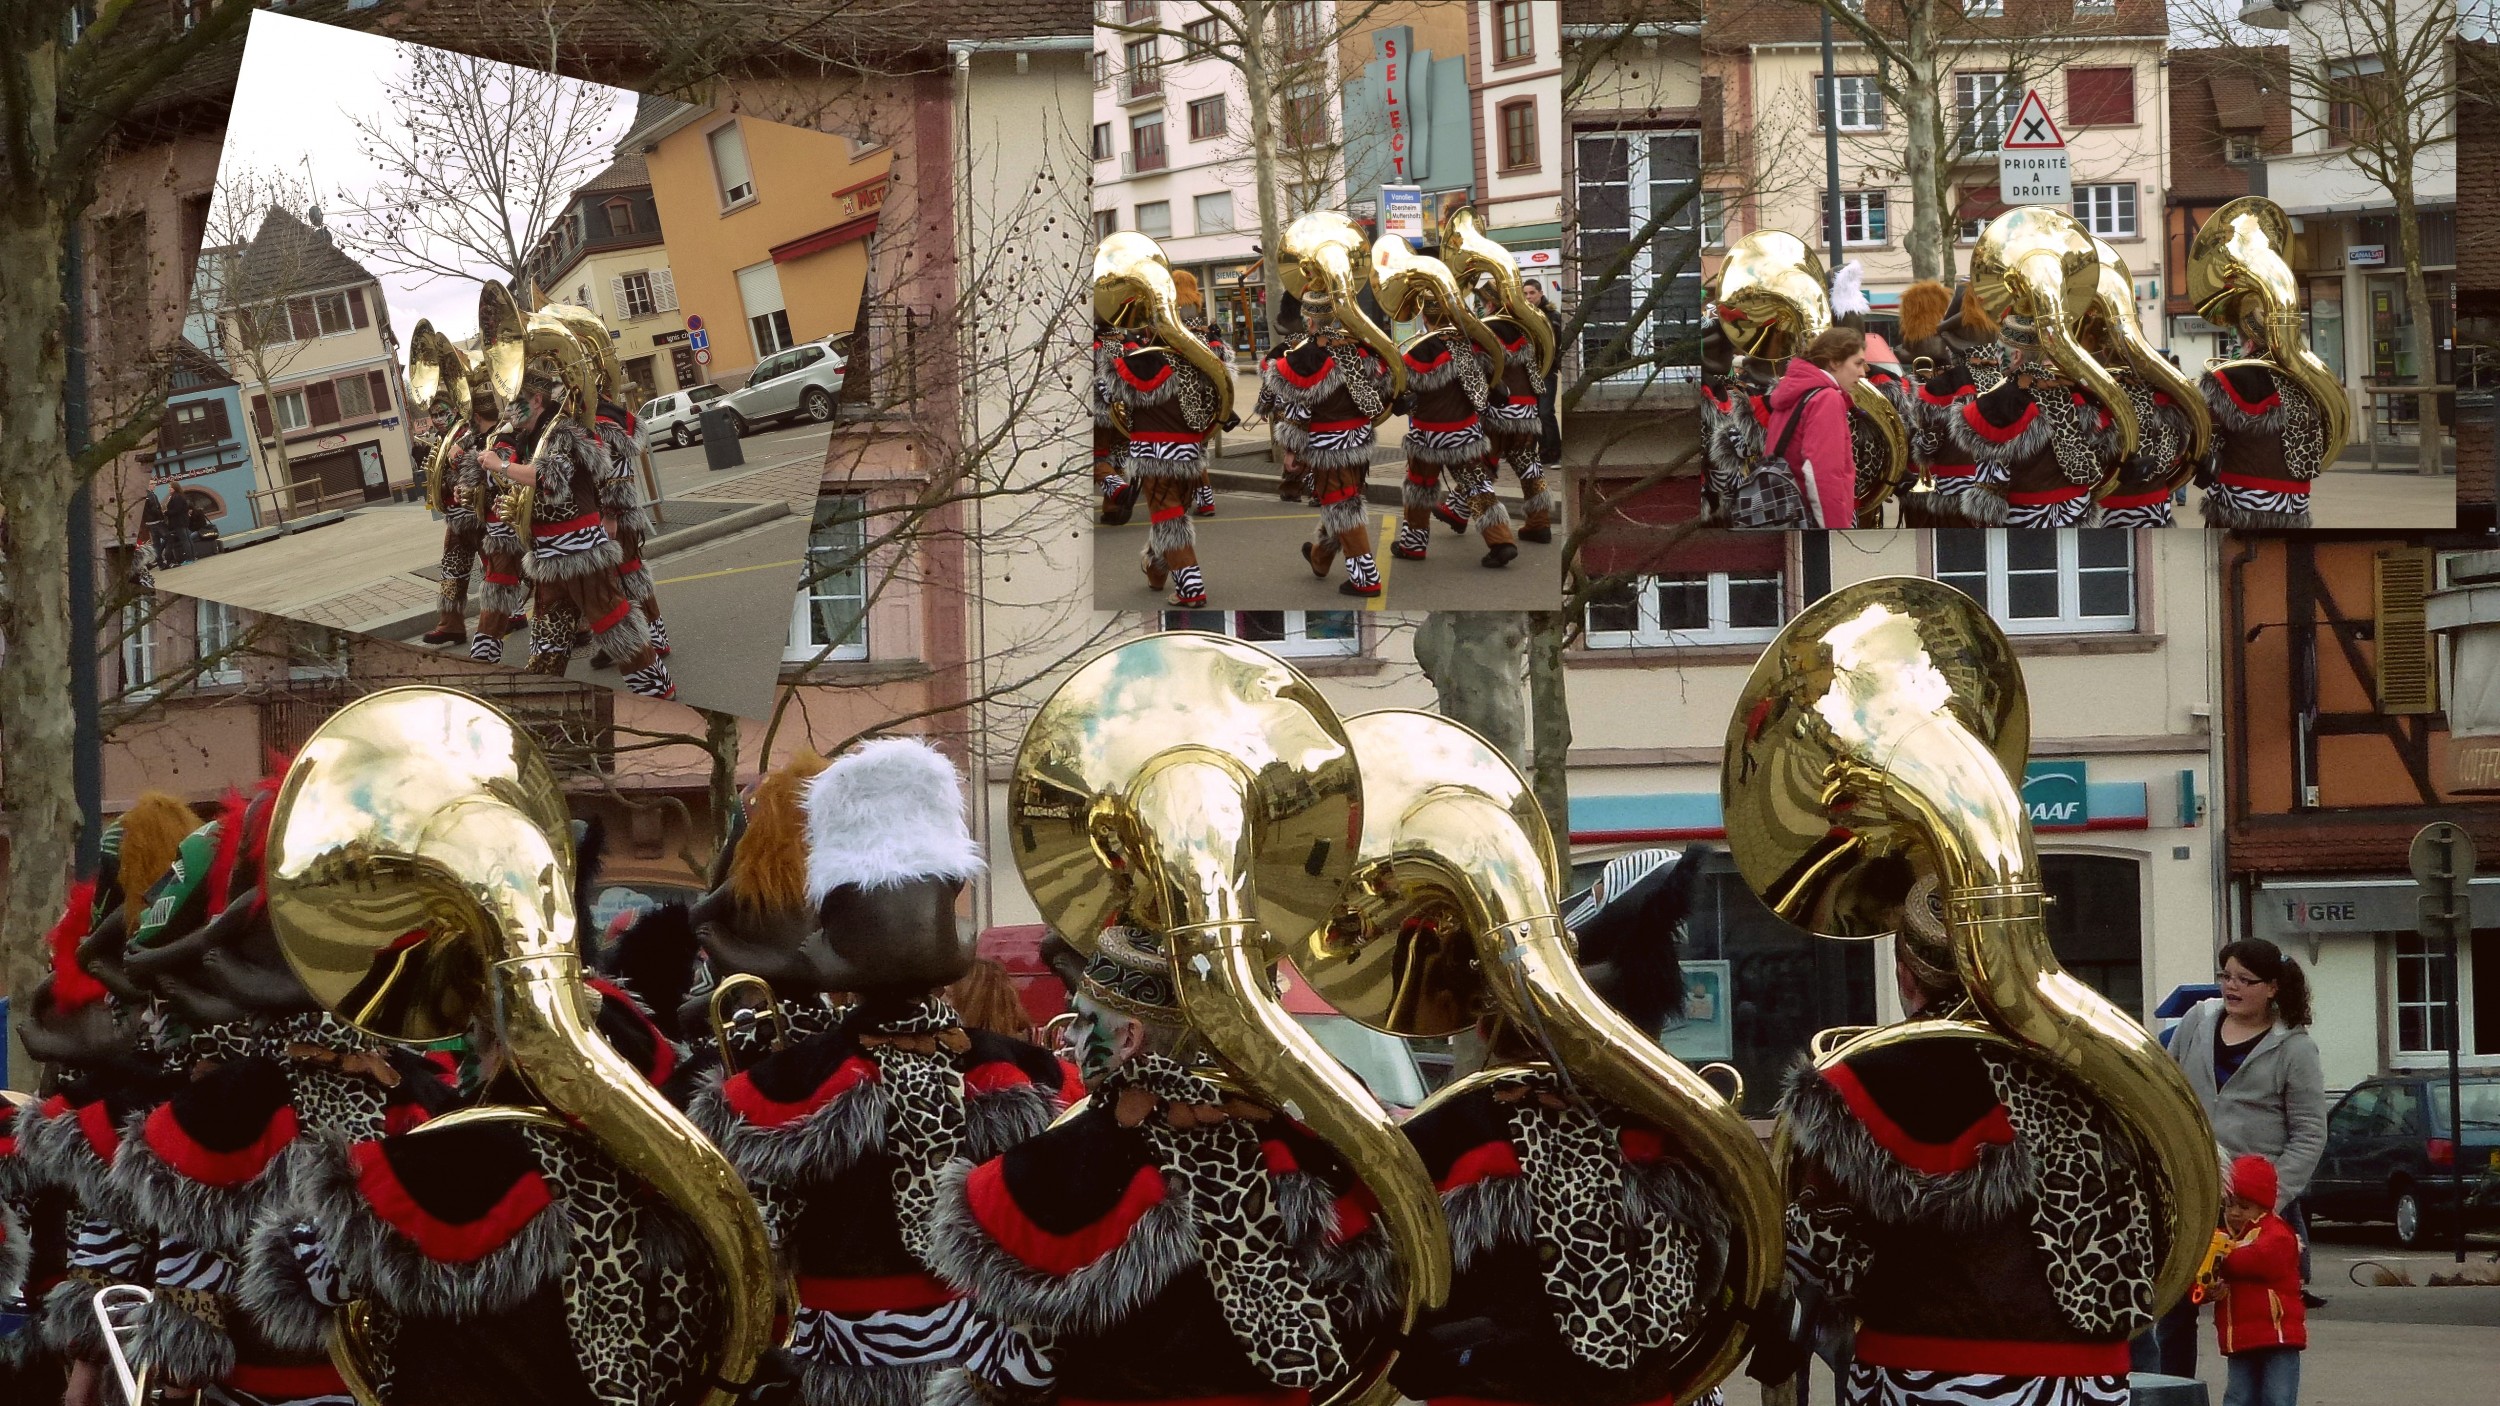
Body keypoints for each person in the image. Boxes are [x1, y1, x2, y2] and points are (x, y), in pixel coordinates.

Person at [687, 738, 1069, 1406]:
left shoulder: (776, 1092)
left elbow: (752, 1263)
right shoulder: (1031, 1075)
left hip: (843, 1371)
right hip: (990, 1370)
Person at [2143, 938, 2328, 1378]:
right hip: (2191, 1190)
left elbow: (2309, 1134)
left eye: (2245, 980)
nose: (2232, 986)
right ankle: (2175, 1392)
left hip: (2255, 1203)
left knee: (2254, 1319)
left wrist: (2269, 1198)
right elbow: (2165, 1089)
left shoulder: (2295, 1048)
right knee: (2173, 1308)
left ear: (2273, 988)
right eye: (2225, 976)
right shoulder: (2197, 1021)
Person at [474, 361, 676, 698]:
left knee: (615, 624)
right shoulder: (528, 438)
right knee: (547, 635)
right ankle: (540, 698)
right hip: (548, 555)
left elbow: (550, 478)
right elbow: (525, 488)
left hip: (582, 552)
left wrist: (503, 466)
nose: (507, 411)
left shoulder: (564, 432)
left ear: (536, 399)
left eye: (514, 402)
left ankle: (658, 691)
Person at [2213, 1155, 2305, 1406]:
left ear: (2263, 1208)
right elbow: (2204, 1278)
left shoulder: (2278, 1234)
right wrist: (2210, 1287)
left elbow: (2258, 1260)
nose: (2234, 1212)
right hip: (2240, 1337)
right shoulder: (2224, 1238)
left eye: (2244, 1207)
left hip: (2277, 1335)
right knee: (2238, 1397)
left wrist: (2221, 1260)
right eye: (2229, 1204)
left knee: (2277, 1398)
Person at [1759, 327, 1864, 530]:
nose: (1862, 372)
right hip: (1811, 519)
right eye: (1857, 363)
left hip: (1785, 513)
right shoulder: (1827, 398)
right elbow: (1823, 475)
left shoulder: (1795, 391)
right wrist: (1836, 531)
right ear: (1835, 362)